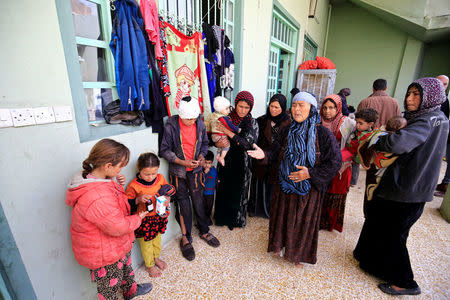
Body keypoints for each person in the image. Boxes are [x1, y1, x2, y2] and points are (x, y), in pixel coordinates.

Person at [354, 77, 448, 296]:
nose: (410, 99)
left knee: (393, 234)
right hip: (413, 186)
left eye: (416, 94)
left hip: (406, 188)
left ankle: (405, 282)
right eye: (410, 93)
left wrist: (378, 139)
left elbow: (398, 143)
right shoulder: (441, 118)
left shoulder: (426, 120)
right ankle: (370, 261)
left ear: (430, 97)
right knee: (378, 222)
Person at [248, 92, 341, 265]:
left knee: (301, 222)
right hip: (284, 184)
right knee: (281, 217)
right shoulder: (287, 129)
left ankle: (296, 254)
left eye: (301, 105)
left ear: (312, 109)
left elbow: (335, 162)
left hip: (308, 189)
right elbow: (274, 152)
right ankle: (279, 245)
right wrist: (264, 155)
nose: (296, 109)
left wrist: (310, 173)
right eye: (295, 105)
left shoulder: (323, 134)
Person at [66, 139, 153, 300]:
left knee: (126, 269)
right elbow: (117, 226)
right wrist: (138, 217)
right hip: (104, 252)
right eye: (120, 166)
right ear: (108, 166)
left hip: (116, 244)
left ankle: (131, 291)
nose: (121, 170)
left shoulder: (99, 179)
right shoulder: (96, 196)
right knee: (109, 287)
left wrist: (117, 185)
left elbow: (115, 204)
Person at [159, 96, 220, 262]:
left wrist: (200, 157)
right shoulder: (171, 125)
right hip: (179, 172)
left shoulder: (199, 123)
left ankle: (204, 230)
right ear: (180, 116)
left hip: (196, 171)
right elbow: (164, 150)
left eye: (193, 118)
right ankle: (185, 237)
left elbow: (205, 144)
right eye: (187, 119)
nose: (190, 121)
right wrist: (182, 162)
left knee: (198, 200)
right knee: (183, 203)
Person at [214, 91, 259, 230]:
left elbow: (247, 144)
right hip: (227, 159)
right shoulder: (226, 117)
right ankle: (222, 218)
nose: (243, 110)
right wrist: (218, 143)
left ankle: (236, 220)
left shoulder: (252, 122)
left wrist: (228, 132)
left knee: (239, 192)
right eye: (240, 106)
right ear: (235, 104)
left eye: (247, 108)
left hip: (242, 162)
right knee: (224, 189)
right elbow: (216, 135)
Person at [125, 153, 175, 277]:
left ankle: (156, 258)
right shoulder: (133, 186)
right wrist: (137, 200)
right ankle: (149, 265)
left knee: (157, 240)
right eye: (147, 174)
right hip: (144, 220)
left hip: (158, 217)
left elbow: (168, 191)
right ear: (139, 169)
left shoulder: (160, 178)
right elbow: (126, 205)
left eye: (154, 173)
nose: (150, 177)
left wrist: (168, 198)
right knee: (146, 244)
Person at [249, 93, 291, 218]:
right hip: (260, 158)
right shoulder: (261, 120)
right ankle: (255, 209)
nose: (273, 109)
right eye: (271, 106)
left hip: (277, 159)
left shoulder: (288, 123)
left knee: (272, 186)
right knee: (258, 183)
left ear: (283, 108)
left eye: (277, 107)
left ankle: (270, 211)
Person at [319, 94, 356, 232]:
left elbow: (353, 146)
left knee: (335, 194)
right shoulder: (318, 120)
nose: (327, 111)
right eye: (325, 108)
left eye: (332, 108)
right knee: (321, 193)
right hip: (321, 165)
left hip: (340, 166)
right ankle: (318, 221)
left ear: (338, 108)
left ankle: (331, 223)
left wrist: (338, 157)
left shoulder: (348, 123)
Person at [205, 96, 241, 166]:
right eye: (226, 109)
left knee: (221, 146)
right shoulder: (223, 117)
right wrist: (238, 129)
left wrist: (210, 133)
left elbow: (207, 125)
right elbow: (230, 126)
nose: (229, 111)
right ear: (220, 110)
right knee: (227, 145)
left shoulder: (212, 115)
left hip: (214, 136)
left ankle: (218, 155)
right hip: (220, 135)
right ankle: (222, 157)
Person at [435, 74, 449, 196]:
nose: (442, 86)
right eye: (440, 82)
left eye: (445, 84)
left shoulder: (445, 101)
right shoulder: (428, 97)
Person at [203, 150, 218, 225]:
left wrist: (217, 181)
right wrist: (204, 173)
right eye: (205, 162)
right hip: (203, 192)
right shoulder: (201, 171)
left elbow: (216, 178)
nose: (207, 165)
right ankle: (203, 221)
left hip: (211, 192)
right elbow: (200, 180)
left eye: (209, 163)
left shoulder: (214, 169)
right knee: (203, 208)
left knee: (209, 207)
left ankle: (208, 219)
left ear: (212, 162)